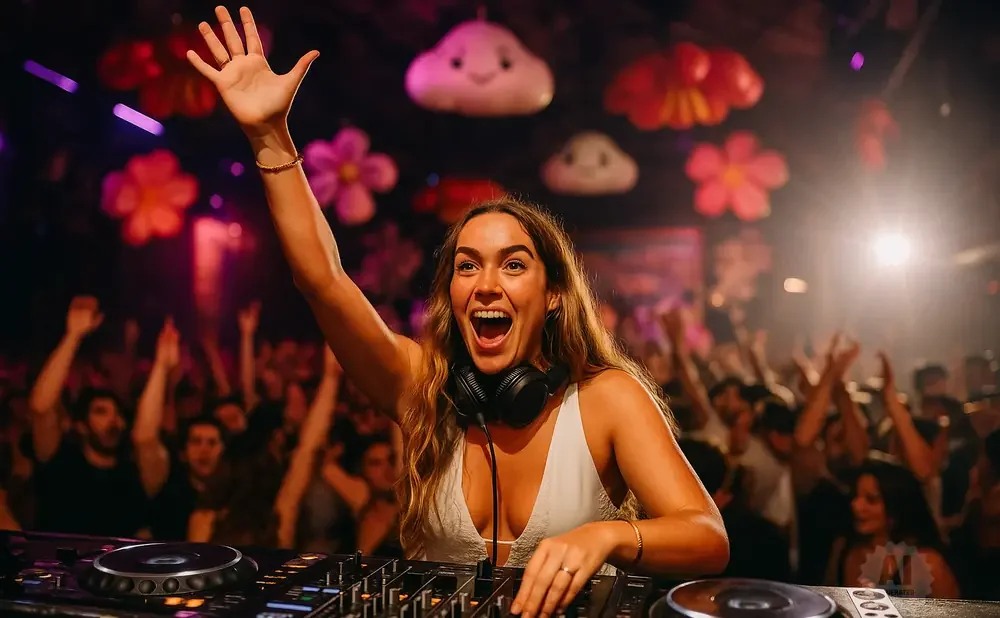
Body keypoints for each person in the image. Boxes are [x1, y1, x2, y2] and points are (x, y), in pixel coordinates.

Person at [187, 7, 728, 616]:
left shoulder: (606, 400)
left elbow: (707, 537)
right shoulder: (421, 388)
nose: (486, 284)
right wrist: (269, 137)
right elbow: (323, 281)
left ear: (553, 294)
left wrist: (607, 535)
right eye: (467, 265)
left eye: (513, 264)